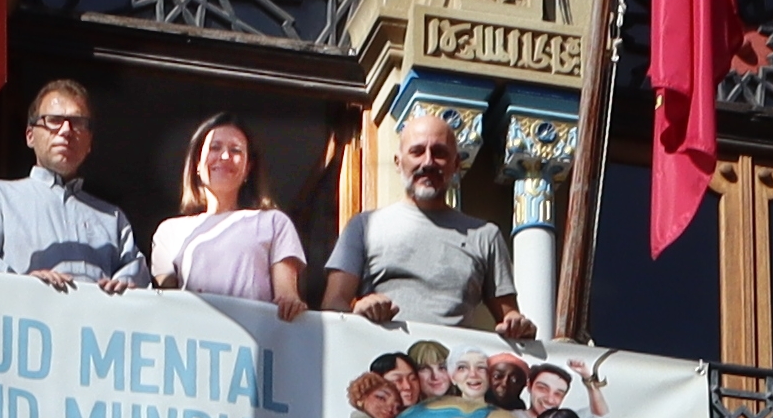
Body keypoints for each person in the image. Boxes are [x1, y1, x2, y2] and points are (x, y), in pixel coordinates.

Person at [321, 105, 524, 335]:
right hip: (381, 354)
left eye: (439, 153)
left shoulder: (485, 235)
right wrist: (358, 309)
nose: (428, 162)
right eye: (417, 152)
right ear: (398, 162)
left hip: (453, 357)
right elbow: (332, 305)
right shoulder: (363, 227)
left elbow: (509, 318)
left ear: (456, 164)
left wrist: (517, 323)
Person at [0, 78, 141, 287]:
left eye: (78, 122)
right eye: (54, 120)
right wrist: (27, 287)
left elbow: (139, 284)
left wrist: (125, 290)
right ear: (30, 136)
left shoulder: (113, 218)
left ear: (90, 142)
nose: (66, 130)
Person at [147, 114, 311, 315]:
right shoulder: (169, 231)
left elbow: (286, 296)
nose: (225, 156)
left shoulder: (274, 222)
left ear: (248, 168)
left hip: (254, 333)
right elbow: (167, 305)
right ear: (197, 163)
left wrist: (291, 303)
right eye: (215, 148)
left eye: (235, 150)